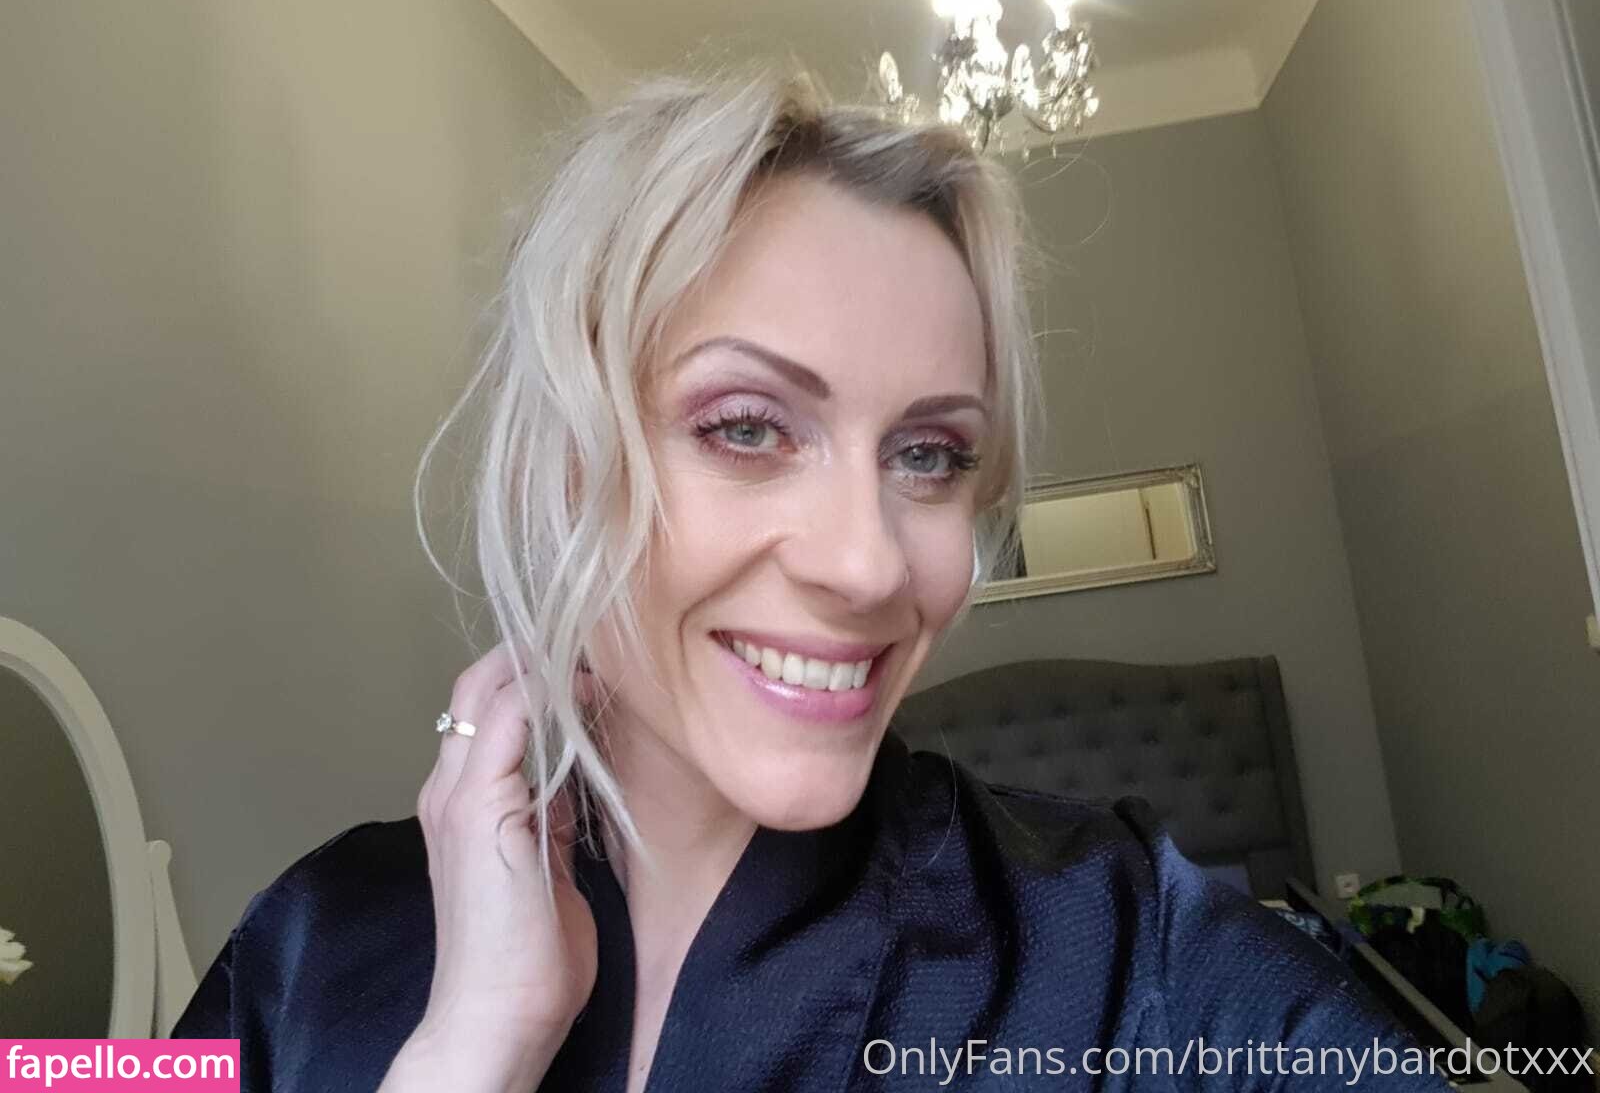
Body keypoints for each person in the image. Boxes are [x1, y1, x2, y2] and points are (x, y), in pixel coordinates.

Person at [171, 66, 1450, 1091]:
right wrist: (468, 1053)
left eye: (929, 454)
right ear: (567, 467)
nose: (868, 562)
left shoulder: (1131, 948)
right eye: (746, 426)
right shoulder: (298, 935)